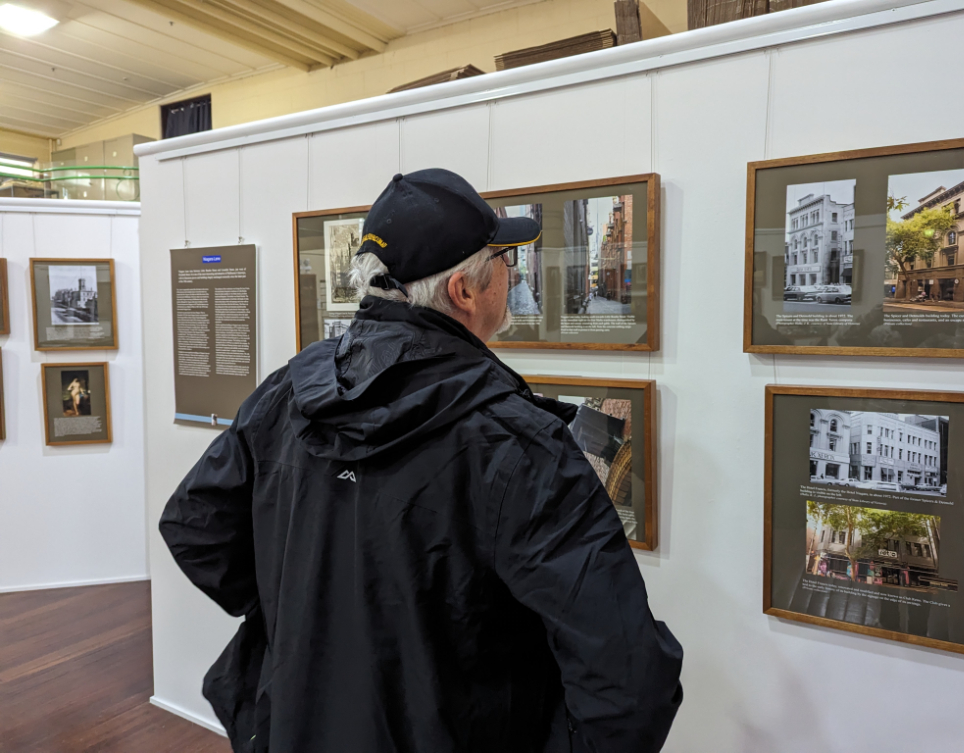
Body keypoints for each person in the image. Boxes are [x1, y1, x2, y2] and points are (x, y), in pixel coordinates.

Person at [160, 169, 683, 753]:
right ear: (464, 290)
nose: (512, 275)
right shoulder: (516, 443)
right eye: (505, 259)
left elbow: (195, 526)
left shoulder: (286, 395)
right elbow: (628, 680)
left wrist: (304, 616)